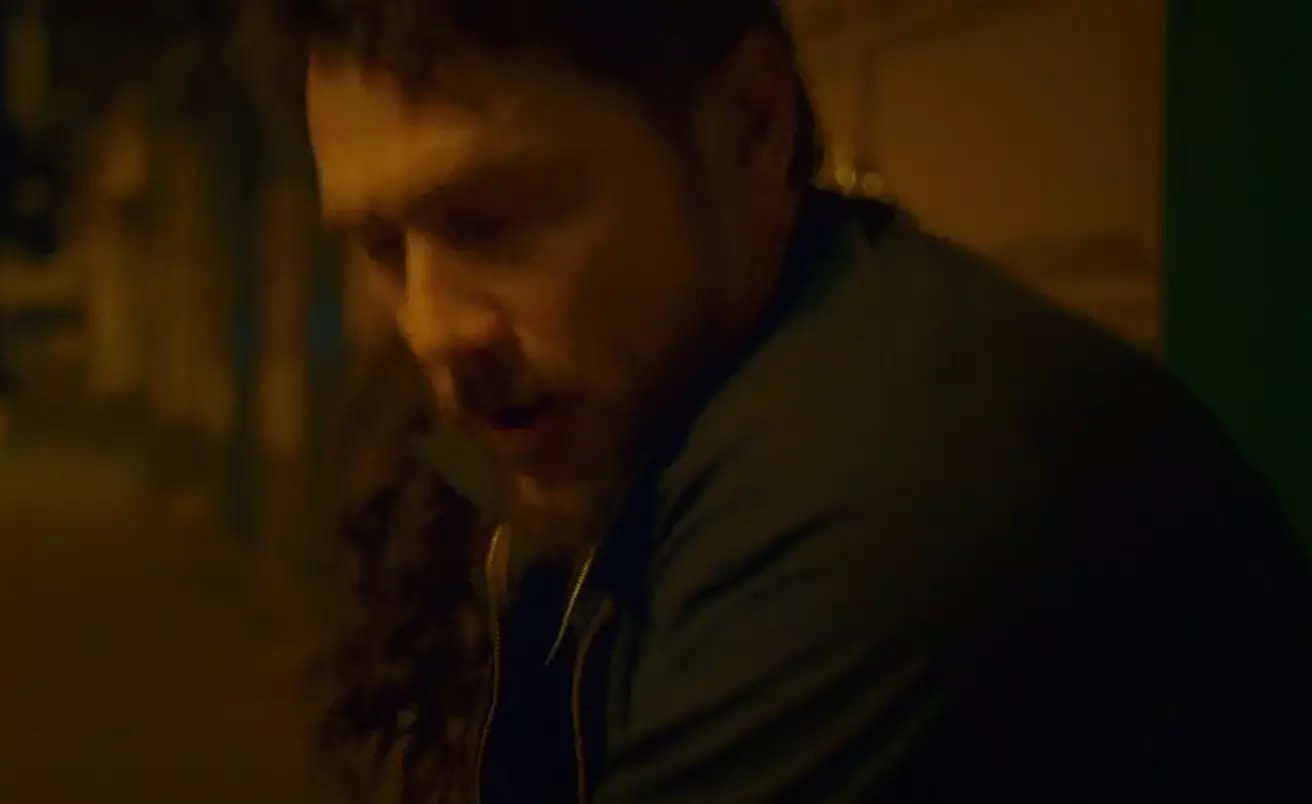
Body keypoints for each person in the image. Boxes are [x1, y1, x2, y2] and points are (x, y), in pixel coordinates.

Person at [244, 0, 1312, 802]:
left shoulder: (880, 482)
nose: (431, 326)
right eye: (381, 247)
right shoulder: (644, 410)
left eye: (495, 220)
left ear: (749, 128)